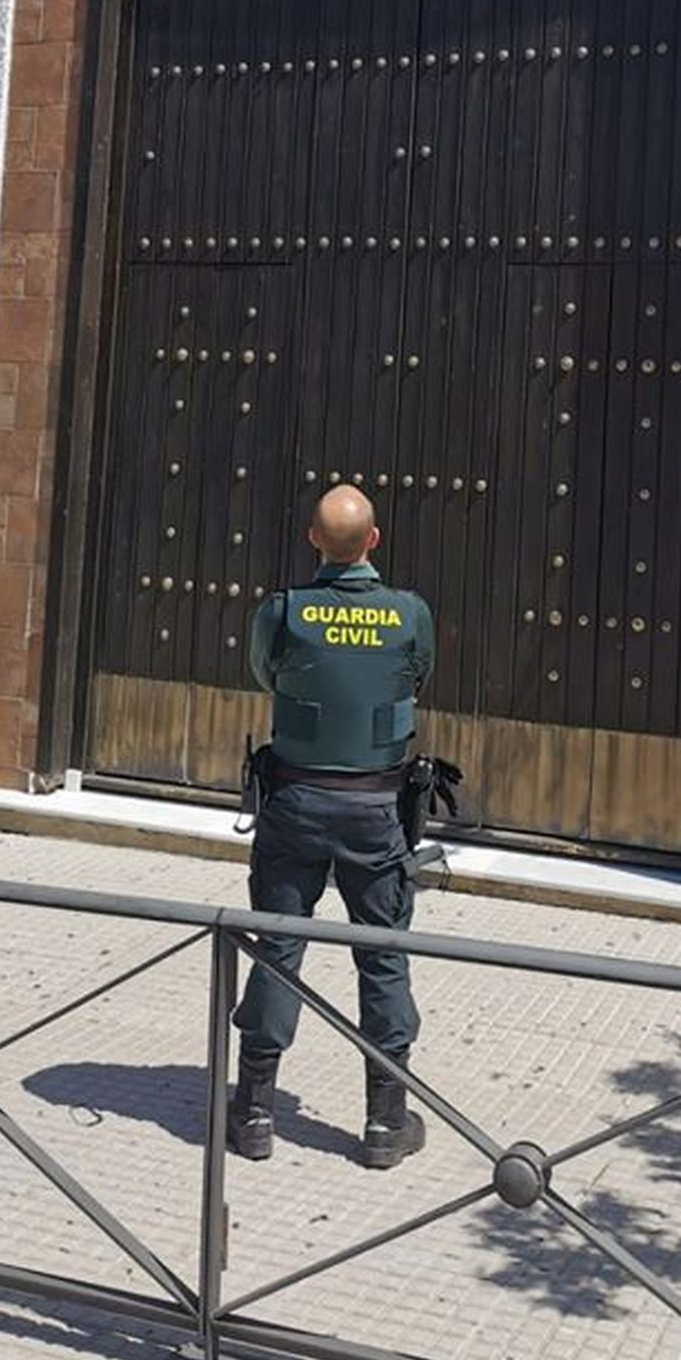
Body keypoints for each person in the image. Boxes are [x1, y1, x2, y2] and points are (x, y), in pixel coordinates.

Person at [228, 484, 435, 1170]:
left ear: (314, 539)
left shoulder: (284, 609)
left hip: (295, 803)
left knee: (278, 949)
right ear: (373, 541)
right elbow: (417, 676)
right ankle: (384, 1123)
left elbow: (266, 674)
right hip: (376, 810)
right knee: (381, 954)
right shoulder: (409, 613)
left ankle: (253, 1113)